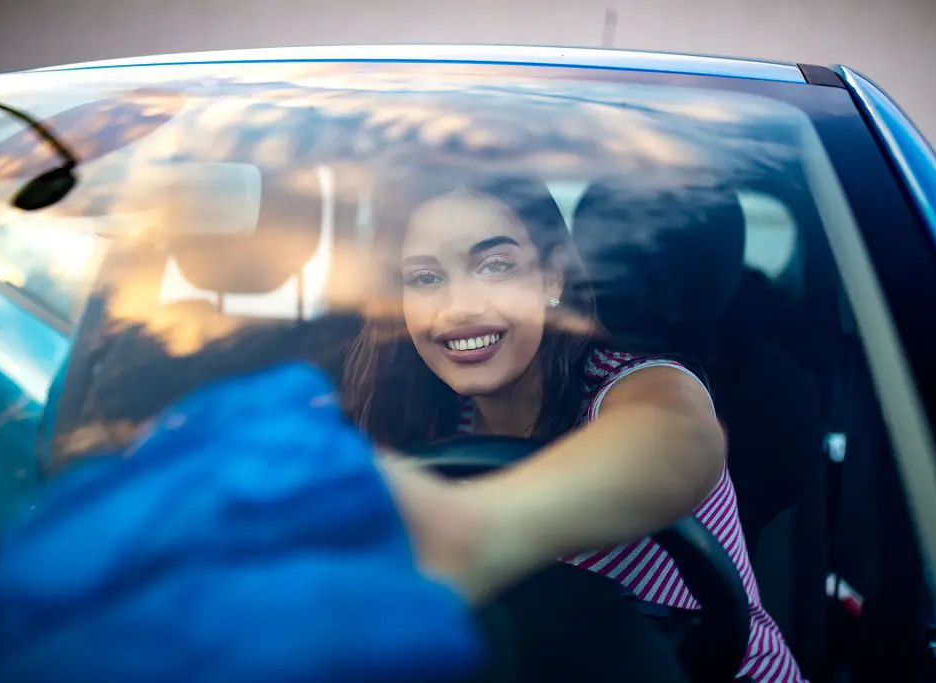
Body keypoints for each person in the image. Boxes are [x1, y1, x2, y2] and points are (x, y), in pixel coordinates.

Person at [342, 172, 805, 683]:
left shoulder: (637, 385)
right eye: (425, 278)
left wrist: (478, 527)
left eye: (495, 266)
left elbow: (679, 439)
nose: (460, 307)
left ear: (552, 279)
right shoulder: (422, 415)